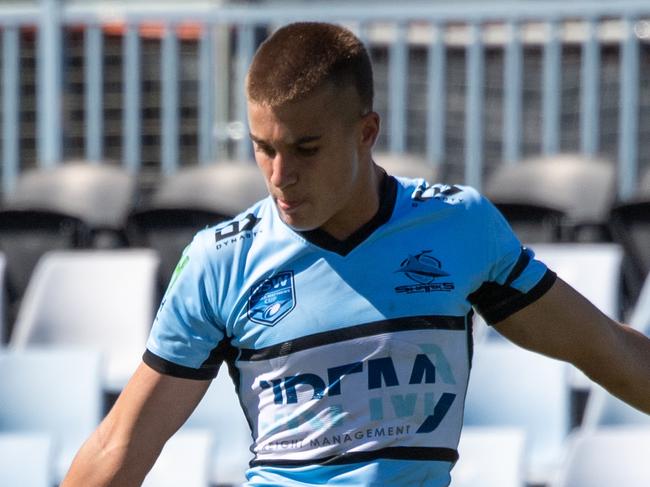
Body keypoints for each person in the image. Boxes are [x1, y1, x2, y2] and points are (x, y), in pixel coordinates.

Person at [62, 22, 650, 487]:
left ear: (366, 131)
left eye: (305, 148)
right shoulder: (219, 262)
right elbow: (121, 445)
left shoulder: (458, 225)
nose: (280, 175)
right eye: (263, 148)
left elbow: (603, 347)